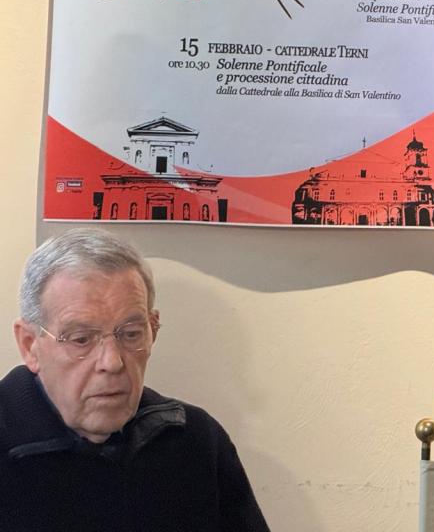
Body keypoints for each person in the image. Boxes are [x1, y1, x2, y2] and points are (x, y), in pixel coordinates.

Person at [0, 228, 270, 532]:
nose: (112, 362)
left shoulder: (194, 440)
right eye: (81, 339)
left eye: (130, 334)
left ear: (153, 329)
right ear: (29, 345)